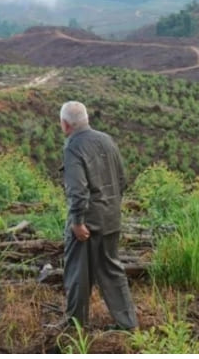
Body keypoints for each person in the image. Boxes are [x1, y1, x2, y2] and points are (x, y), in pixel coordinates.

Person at [58, 100, 138, 331]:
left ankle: (75, 326)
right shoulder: (106, 140)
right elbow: (122, 179)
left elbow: (77, 189)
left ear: (65, 125)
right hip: (111, 218)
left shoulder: (73, 146)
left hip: (88, 224)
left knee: (77, 275)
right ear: (86, 119)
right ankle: (128, 323)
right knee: (112, 271)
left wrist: (77, 221)